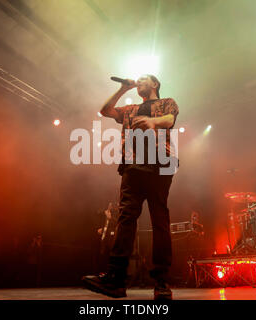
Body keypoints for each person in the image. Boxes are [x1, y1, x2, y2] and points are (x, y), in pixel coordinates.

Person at [82, 74, 179, 300]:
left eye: (144, 78)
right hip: (132, 164)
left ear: (155, 84)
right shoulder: (130, 108)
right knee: (126, 218)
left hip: (160, 161)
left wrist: (153, 122)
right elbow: (105, 111)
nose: (139, 81)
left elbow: (170, 120)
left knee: (160, 220)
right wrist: (122, 90)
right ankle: (116, 279)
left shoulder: (167, 102)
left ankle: (162, 283)